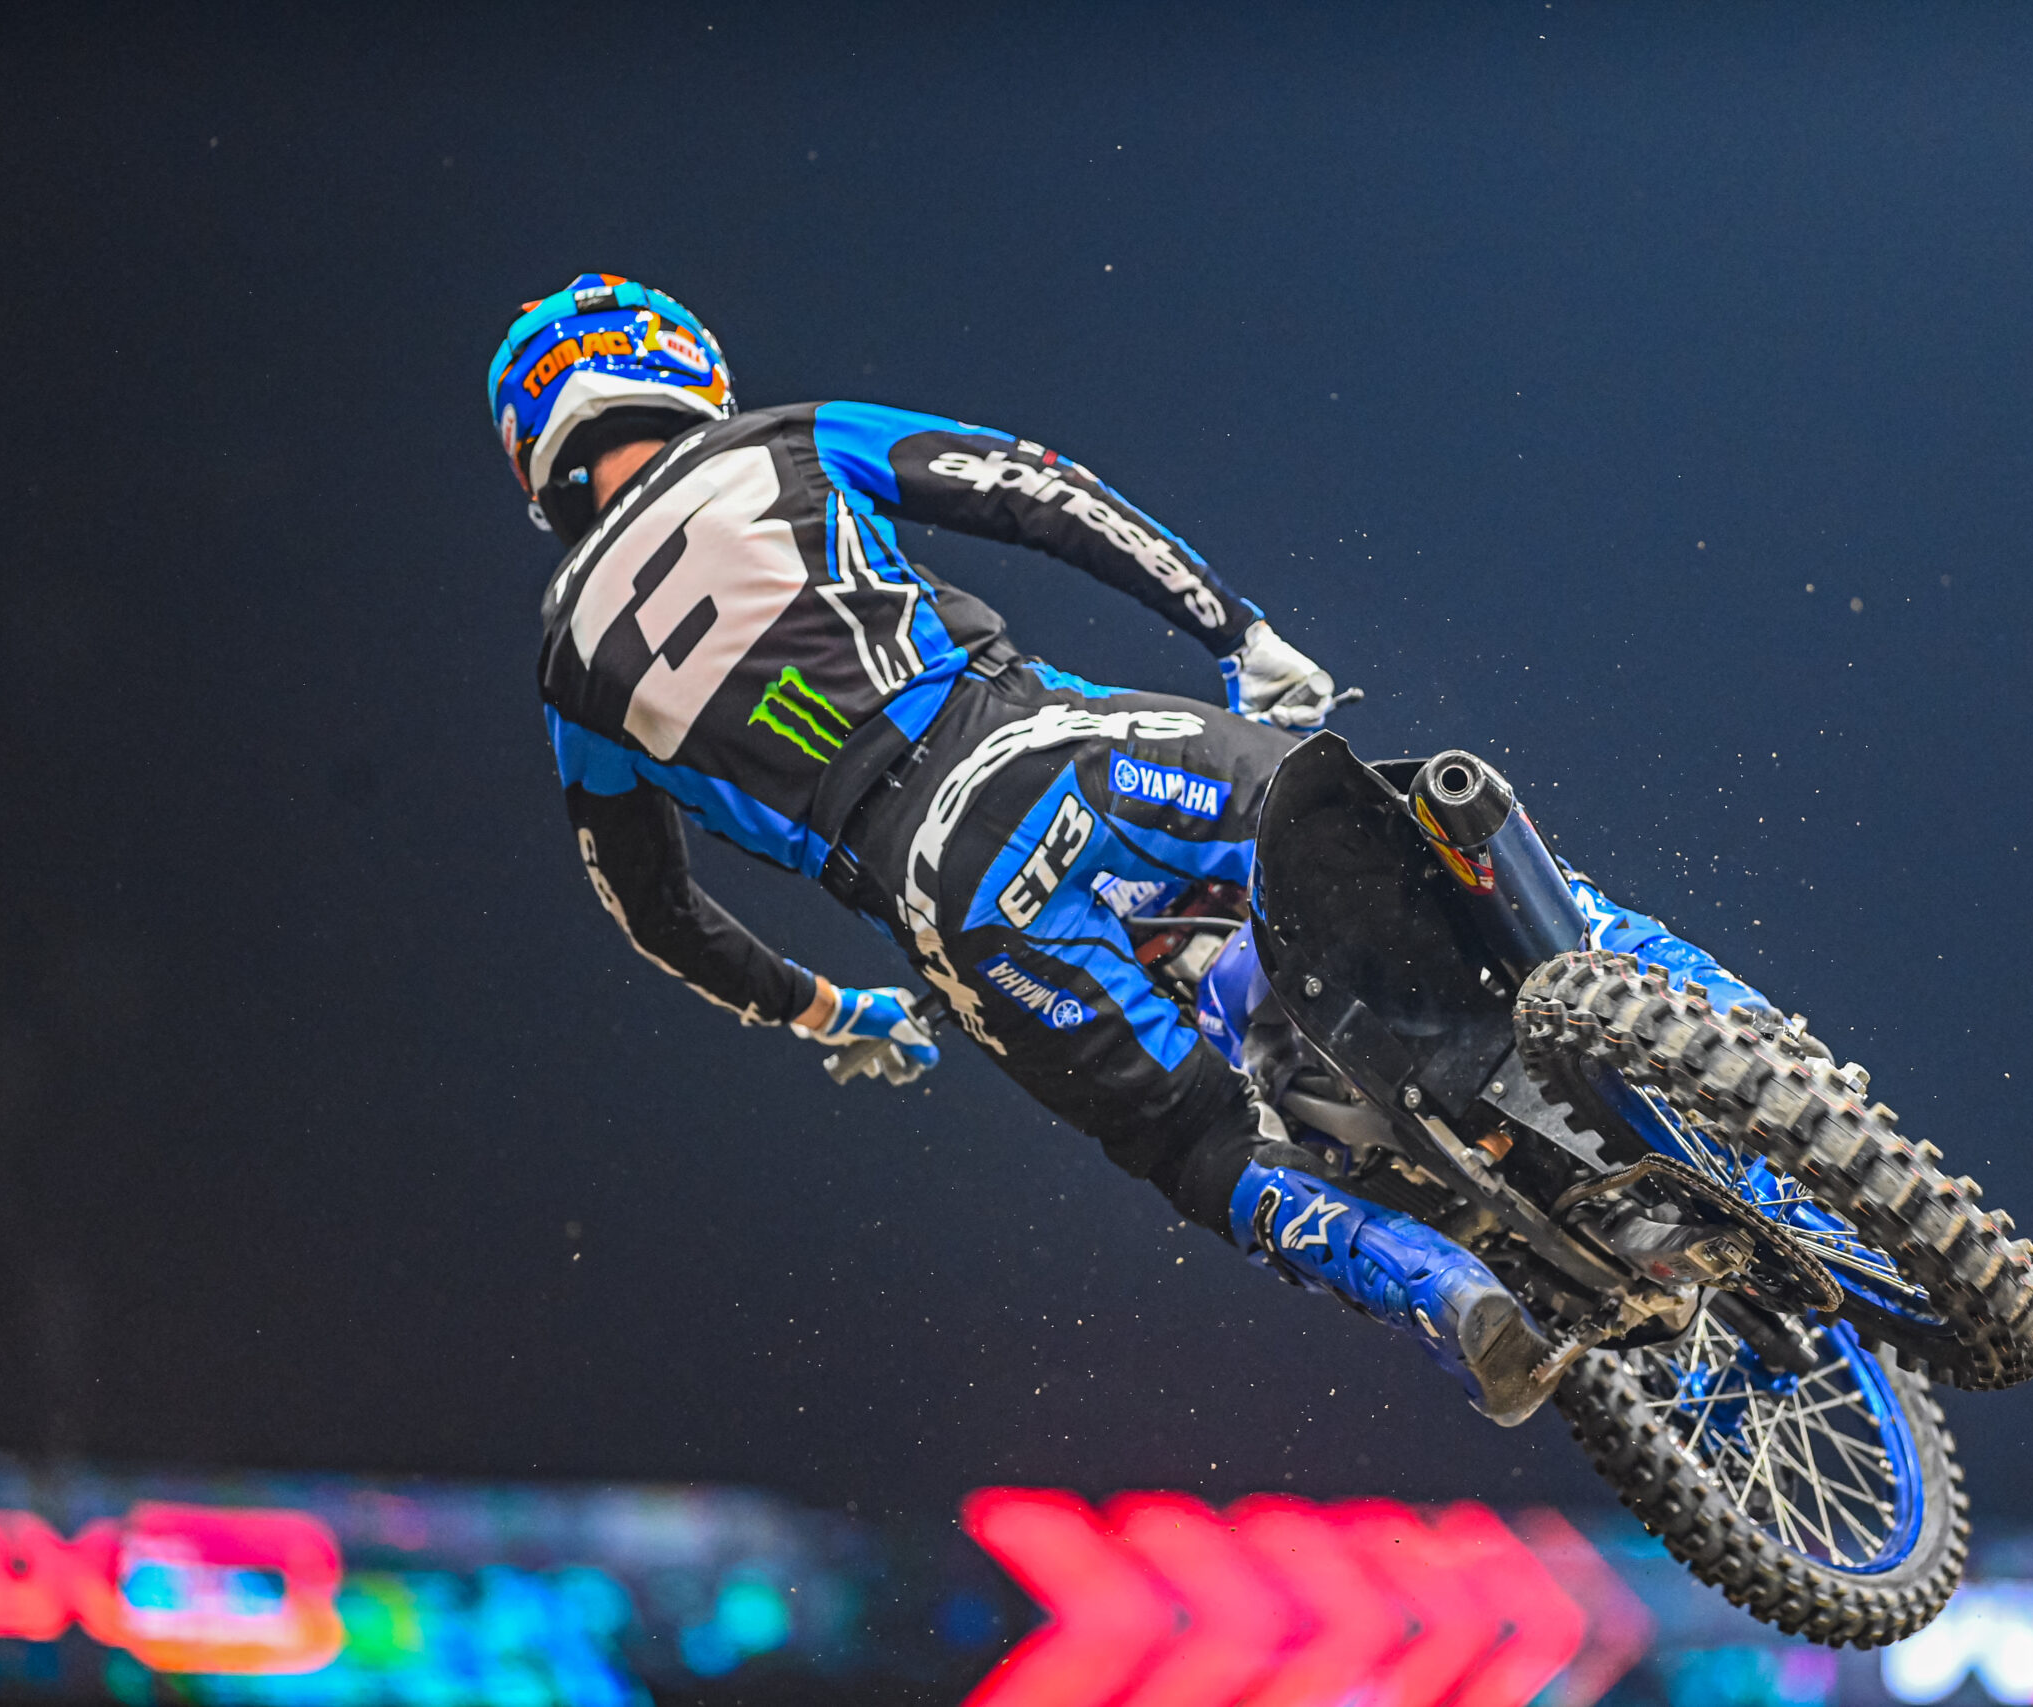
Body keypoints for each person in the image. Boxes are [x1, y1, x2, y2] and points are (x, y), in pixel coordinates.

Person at [491, 274, 1768, 1425]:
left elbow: (649, 909)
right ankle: (1727, 1028)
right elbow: (1039, 492)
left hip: (953, 903)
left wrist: (822, 1008)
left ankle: (1440, 1293)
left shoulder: (569, 673)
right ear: (678, 364)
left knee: (1198, 1146)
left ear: (536, 453)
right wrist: (1233, 629)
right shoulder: (779, 444)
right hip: (1063, 751)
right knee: (1405, 848)